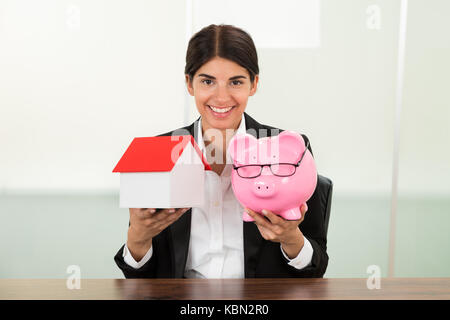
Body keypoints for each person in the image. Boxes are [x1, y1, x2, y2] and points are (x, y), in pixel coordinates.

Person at [114, 24, 328, 278]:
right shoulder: (158, 151)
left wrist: (291, 239)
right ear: (189, 84)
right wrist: (137, 240)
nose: (221, 97)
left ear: (254, 84)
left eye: (236, 82)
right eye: (208, 81)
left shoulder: (289, 149)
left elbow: (316, 267)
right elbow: (139, 278)